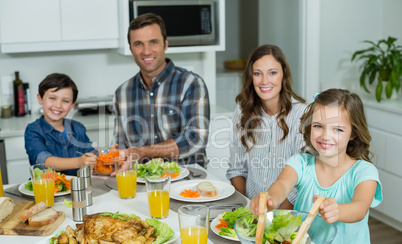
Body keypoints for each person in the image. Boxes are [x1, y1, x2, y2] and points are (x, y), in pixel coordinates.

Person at [249, 89, 383, 244]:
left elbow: (360, 207)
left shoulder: (364, 172)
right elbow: (282, 184)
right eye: (318, 126)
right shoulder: (301, 163)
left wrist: (338, 211)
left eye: (337, 129)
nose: (325, 135)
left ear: (353, 133)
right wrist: (270, 198)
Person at [112, 13, 210, 167]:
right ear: (131, 49)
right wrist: (111, 160)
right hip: (141, 181)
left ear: (165, 44)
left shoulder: (191, 83)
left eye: (153, 42)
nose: (146, 51)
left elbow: (195, 140)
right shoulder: (122, 93)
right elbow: (120, 146)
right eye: (138, 44)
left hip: (188, 181)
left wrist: (143, 152)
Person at [226, 44, 306, 207]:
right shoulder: (242, 111)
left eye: (273, 73)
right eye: (257, 74)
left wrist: (273, 218)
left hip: (288, 214)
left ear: (283, 75)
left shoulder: (302, 114)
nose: (264, 81)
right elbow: (237, 168)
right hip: (251, 210)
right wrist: (245, 209)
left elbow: (302, 180)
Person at [25, 73, 97, 176]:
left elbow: (90, 152)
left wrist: (104, 156)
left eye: (65, 101)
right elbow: (44, 161)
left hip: (75, 187)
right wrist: (79, 162)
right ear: (40, 98)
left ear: (72, 105)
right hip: (46, 189)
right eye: (52, 98)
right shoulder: (33, 130)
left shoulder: (78, 128)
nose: (58, 105)